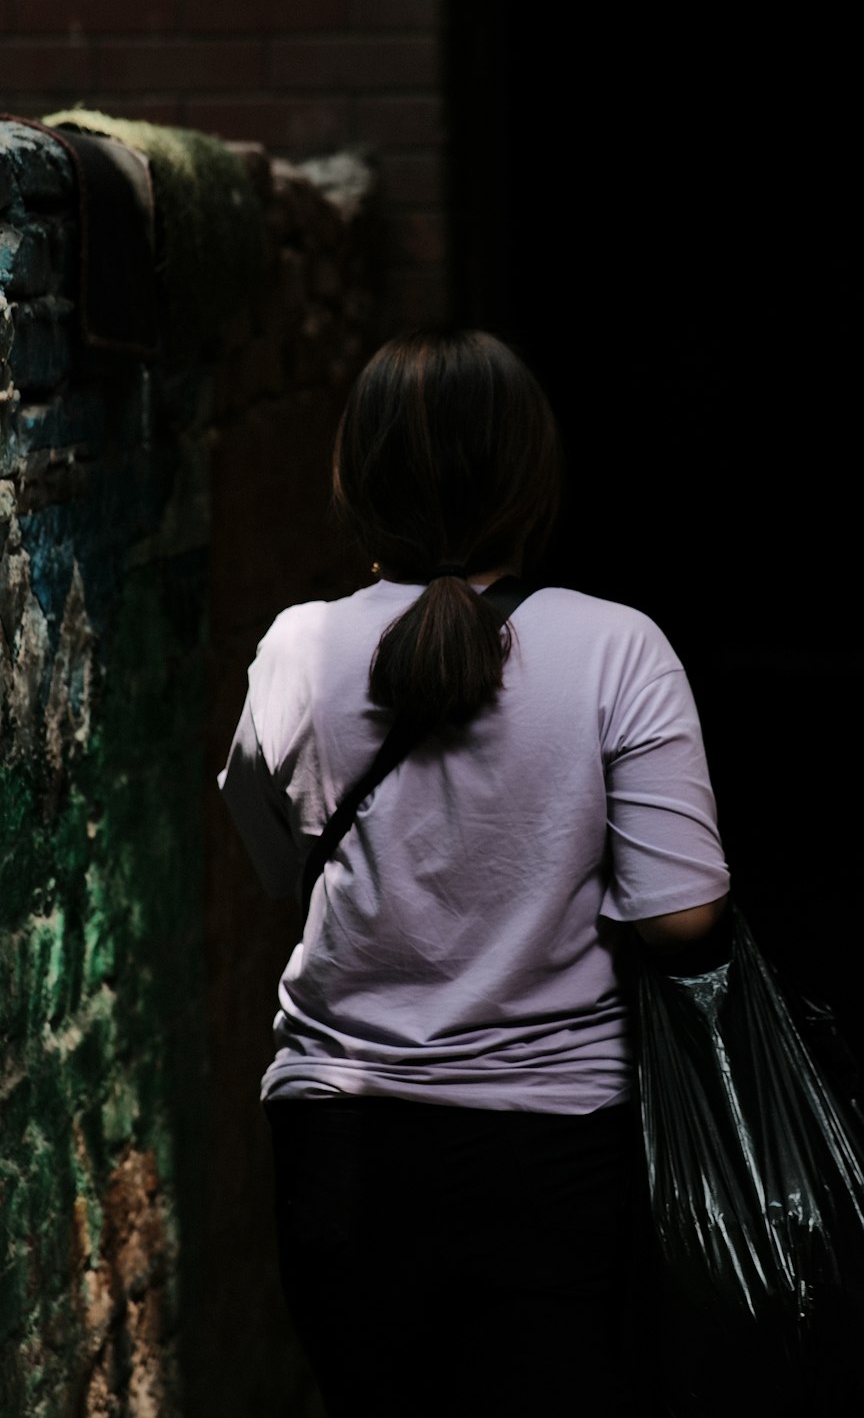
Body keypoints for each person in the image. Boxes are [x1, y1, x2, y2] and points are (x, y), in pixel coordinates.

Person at [218, 329, 730, 1417]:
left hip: (342, 1147)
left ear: (356, 474)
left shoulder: (296, 649)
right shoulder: (617, 648)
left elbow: (274, 867)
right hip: (556, 1156)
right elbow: (683, 922)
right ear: (531, 475)